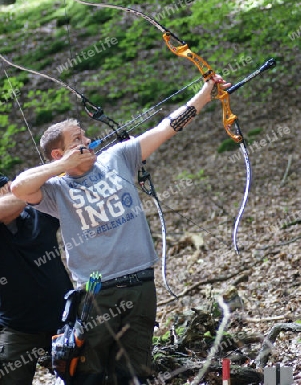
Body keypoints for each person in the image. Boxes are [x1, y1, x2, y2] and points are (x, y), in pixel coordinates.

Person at [10, 75, 230, 384]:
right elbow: (19, 188)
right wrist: (62, 166)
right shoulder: (55, 190)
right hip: (97, 294)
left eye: (85, 136)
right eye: (77, 140)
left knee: (133, 373)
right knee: (87, 374)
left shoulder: (118, 157)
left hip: (141, 284)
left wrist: (205, 96)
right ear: (59, 155)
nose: (86, 142)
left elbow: (166, 127)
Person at [0, 174, 73, 385]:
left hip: (64, 320)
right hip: (18, 328)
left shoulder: (38, 213)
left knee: (90, 375)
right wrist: (26, 192)